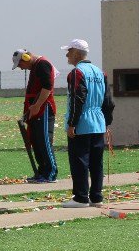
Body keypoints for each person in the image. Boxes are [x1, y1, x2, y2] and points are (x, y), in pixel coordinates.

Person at [61, 38, 114, 208]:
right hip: (98, 123)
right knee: (96, 162)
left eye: (69, 51)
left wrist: (72, 124)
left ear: (76, 53)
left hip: (82, 123)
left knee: (79, 161)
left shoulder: (77, 73)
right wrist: (106, 123)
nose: (67, 55)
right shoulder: (100, 72)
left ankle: (81, 198)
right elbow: (108, 101)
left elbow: (78, 99)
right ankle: (96, 197)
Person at [12, 48, 59, 182]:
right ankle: (42, 172)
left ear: (26, 58)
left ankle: (51, 173)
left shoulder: (43, 64)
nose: (21, 68)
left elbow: (47, 88)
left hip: (43, 109)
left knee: (44, 141)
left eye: (20, 64)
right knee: (36, 141)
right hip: (34, 110)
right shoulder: (36, 67)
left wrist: (37, 105)